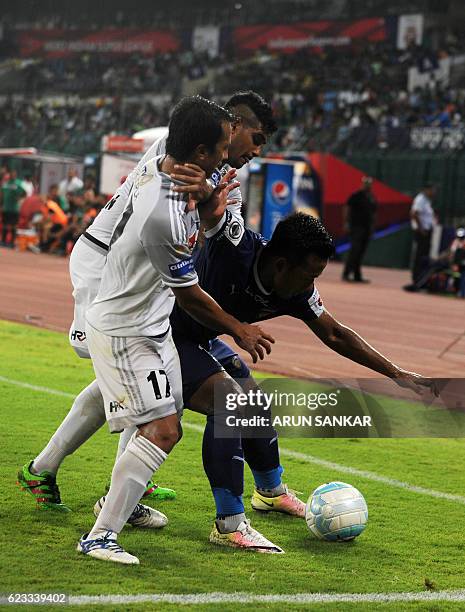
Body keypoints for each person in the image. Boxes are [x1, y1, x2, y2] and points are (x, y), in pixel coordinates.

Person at [20, 96, 275, 566]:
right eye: (232, 143)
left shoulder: (179, 166)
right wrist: (238, 327)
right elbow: (190, 290)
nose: (237, 155)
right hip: (113, 301)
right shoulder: (167, 207)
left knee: (158, 408)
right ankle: (83, 510)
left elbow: (219, 228)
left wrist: (209, 200)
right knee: (151, 418)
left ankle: (112, 496)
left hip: (149, 319)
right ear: (210, 144)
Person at [162, 211, 438, 553]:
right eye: (310, 274)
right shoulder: (236, 248)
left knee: (255, 403)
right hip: (161, 333)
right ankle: (229, 525)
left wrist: (396, 373)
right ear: (280, 265)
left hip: (198, 338)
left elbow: (335, 333)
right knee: (230, 404)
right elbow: (203, 223)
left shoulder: (296, 290)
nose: (312, 285)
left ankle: (270, 494)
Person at [342, 176, 377, 283]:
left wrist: (372, 227)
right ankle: (346, 273)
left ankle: (357, 275)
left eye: (369, 183)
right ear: (362, 184)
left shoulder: (371, 197)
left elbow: (373, 213)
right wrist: (346, 223)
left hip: (367, 228)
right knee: (355, 251)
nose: (367, 185)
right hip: (356, 227)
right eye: (366, 183)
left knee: (361, 252)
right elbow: (347, 208)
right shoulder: (356, 195)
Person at [410, 183, 435, 284]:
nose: (433, 192)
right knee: (419, 256)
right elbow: (414, 213)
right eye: (432, 190)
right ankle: (416, 278)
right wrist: (421, 229)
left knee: (424, 256)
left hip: (426, 231)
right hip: (422, 232)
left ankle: (421, 278)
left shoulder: (427, 201)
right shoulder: (420, 199)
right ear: (426, 189)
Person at [0, 169, 27, 248]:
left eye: (14, 173)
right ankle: (3, 241)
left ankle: (12, 242)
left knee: (13, 225)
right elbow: (2, 194)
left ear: (16, 174)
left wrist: (19, 199)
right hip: (6, 208)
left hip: (14, 209)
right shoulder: (5, 183)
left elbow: (24, 193)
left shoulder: (18, 183)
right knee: (4, 224)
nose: (12, 175)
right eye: (11, 173)